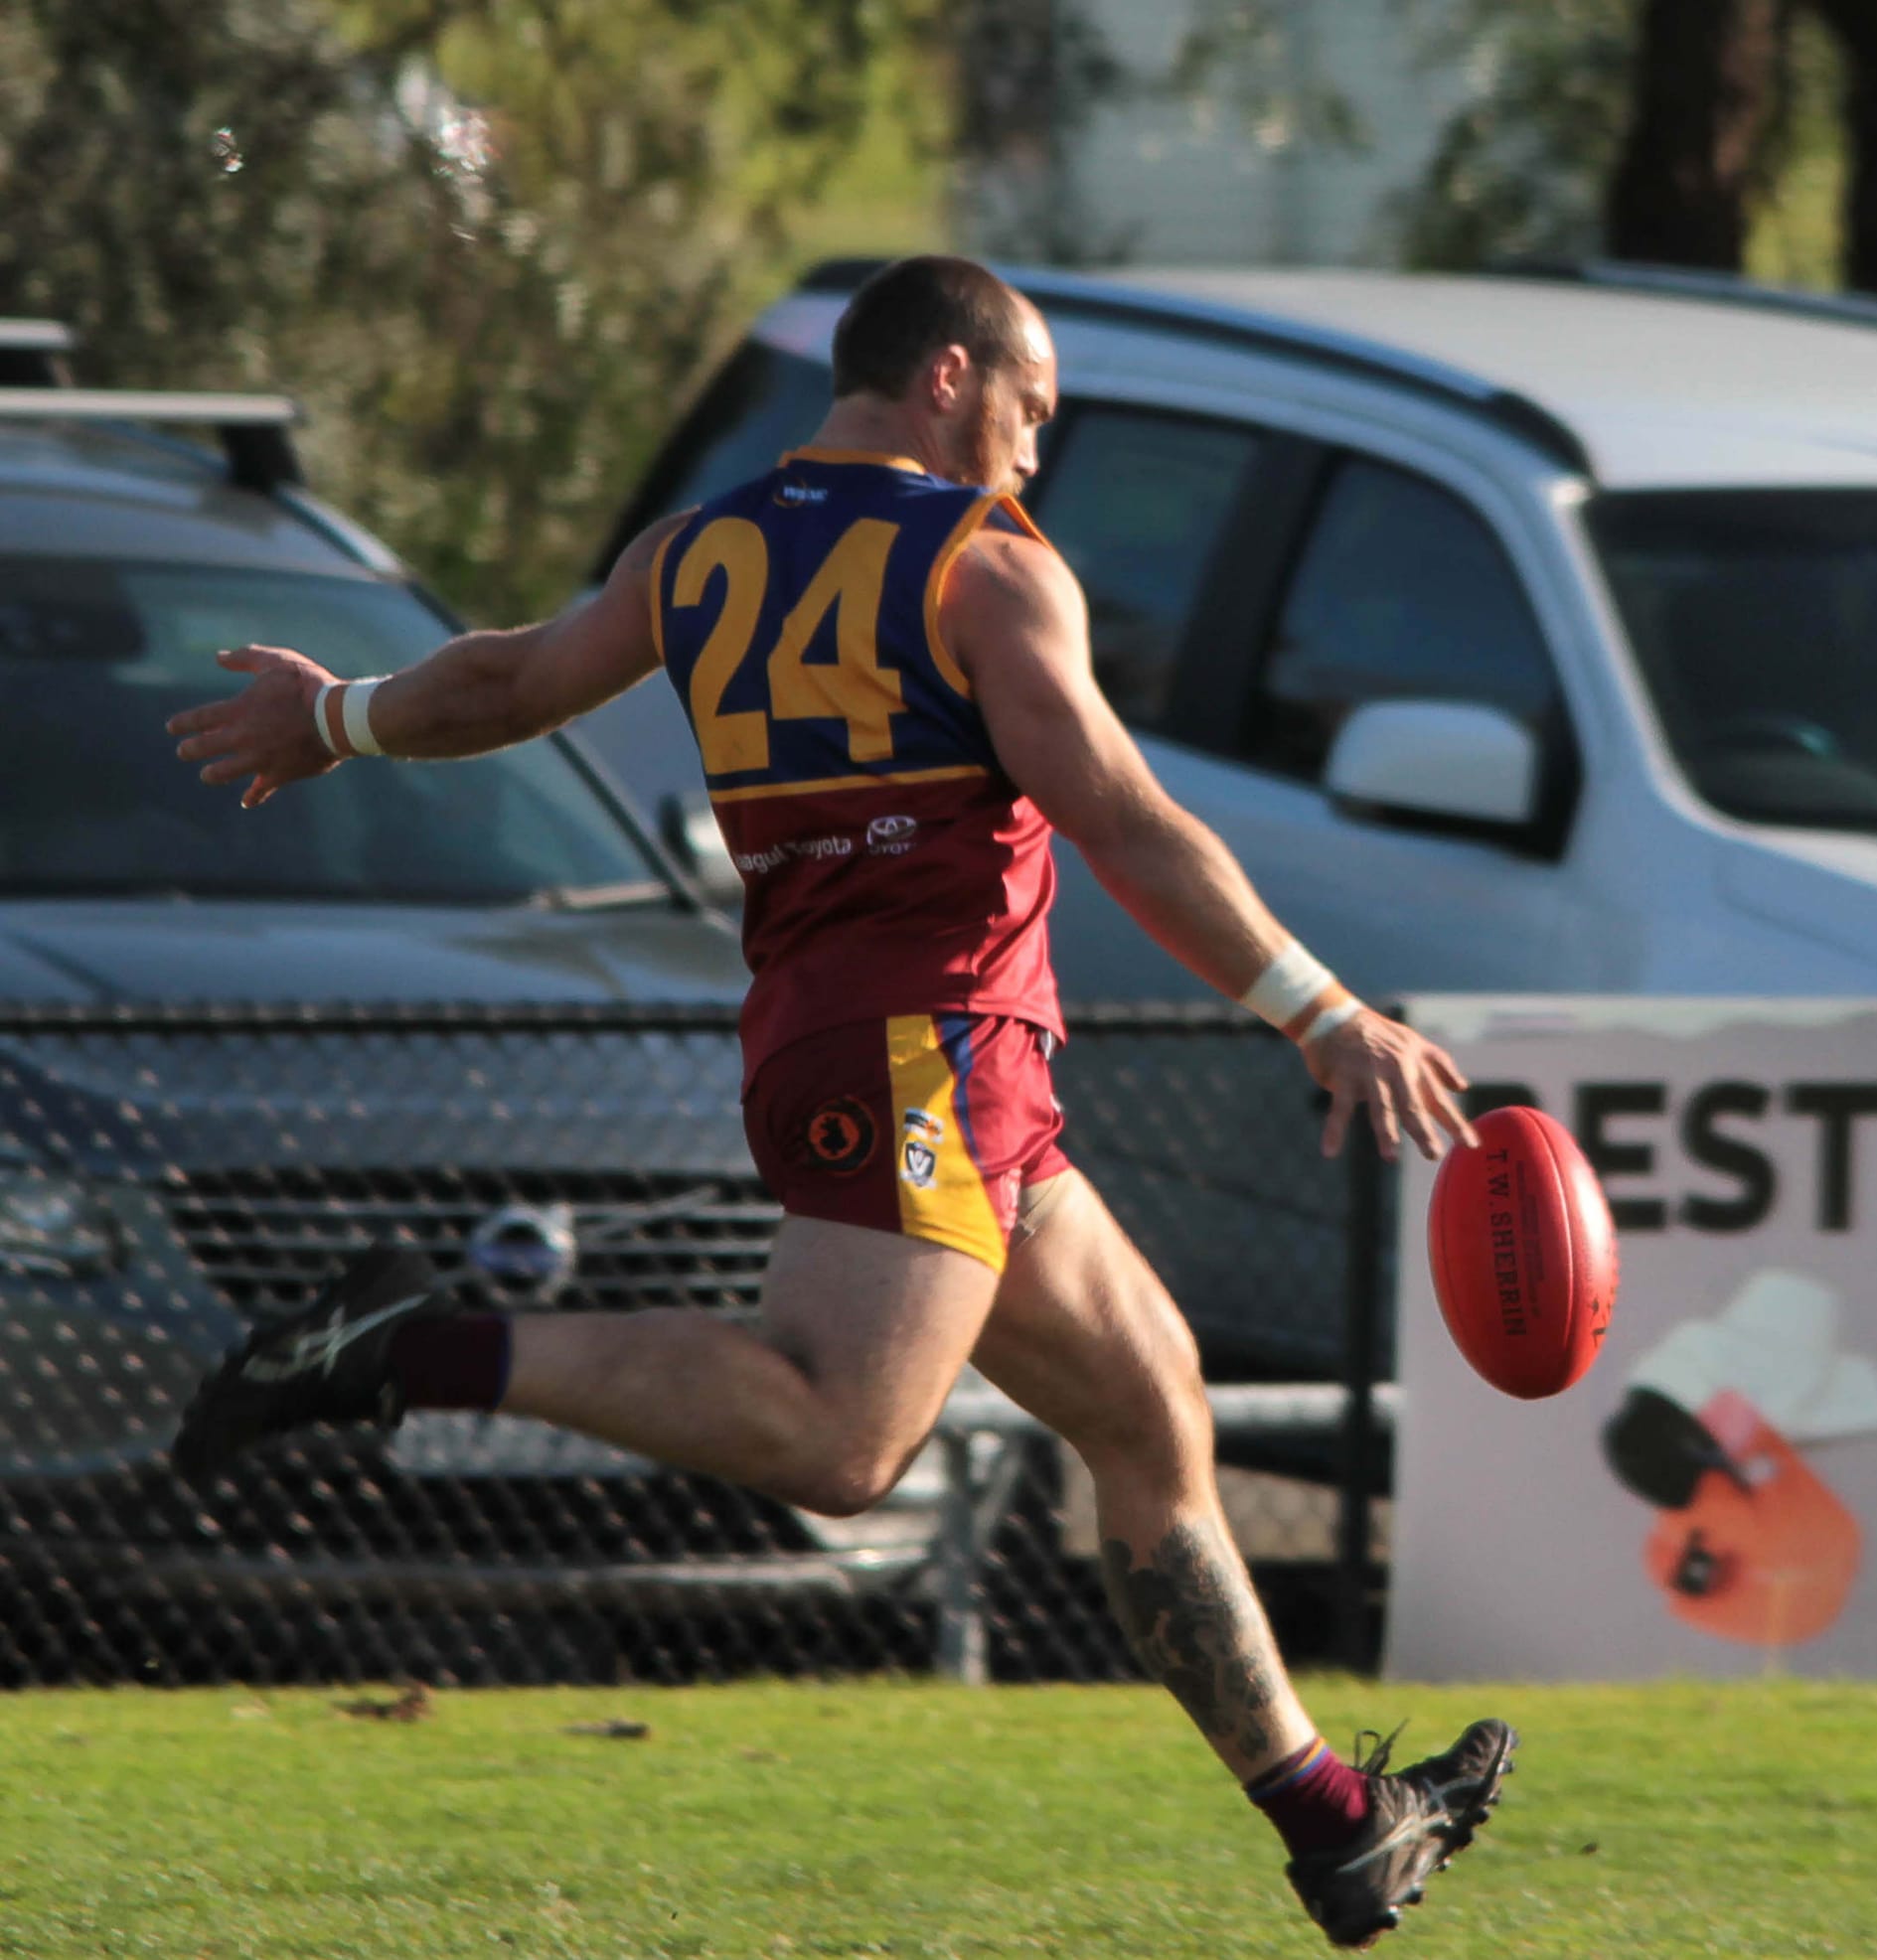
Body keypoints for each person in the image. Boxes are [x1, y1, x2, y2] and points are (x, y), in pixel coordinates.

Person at [165, 254, 1513, 1948]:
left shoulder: (697, 550)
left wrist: (336, 716)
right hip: (921, 1049)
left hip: (888, 1047)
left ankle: (1337, 1829)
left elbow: (509, 682)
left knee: (1149, 1407)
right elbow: (1120, 816)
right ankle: (402, 1347)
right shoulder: (984, 564)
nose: (1035, 451)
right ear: (949, 375)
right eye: (1030, 410)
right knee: (843, 1441)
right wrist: (1322, 1011)